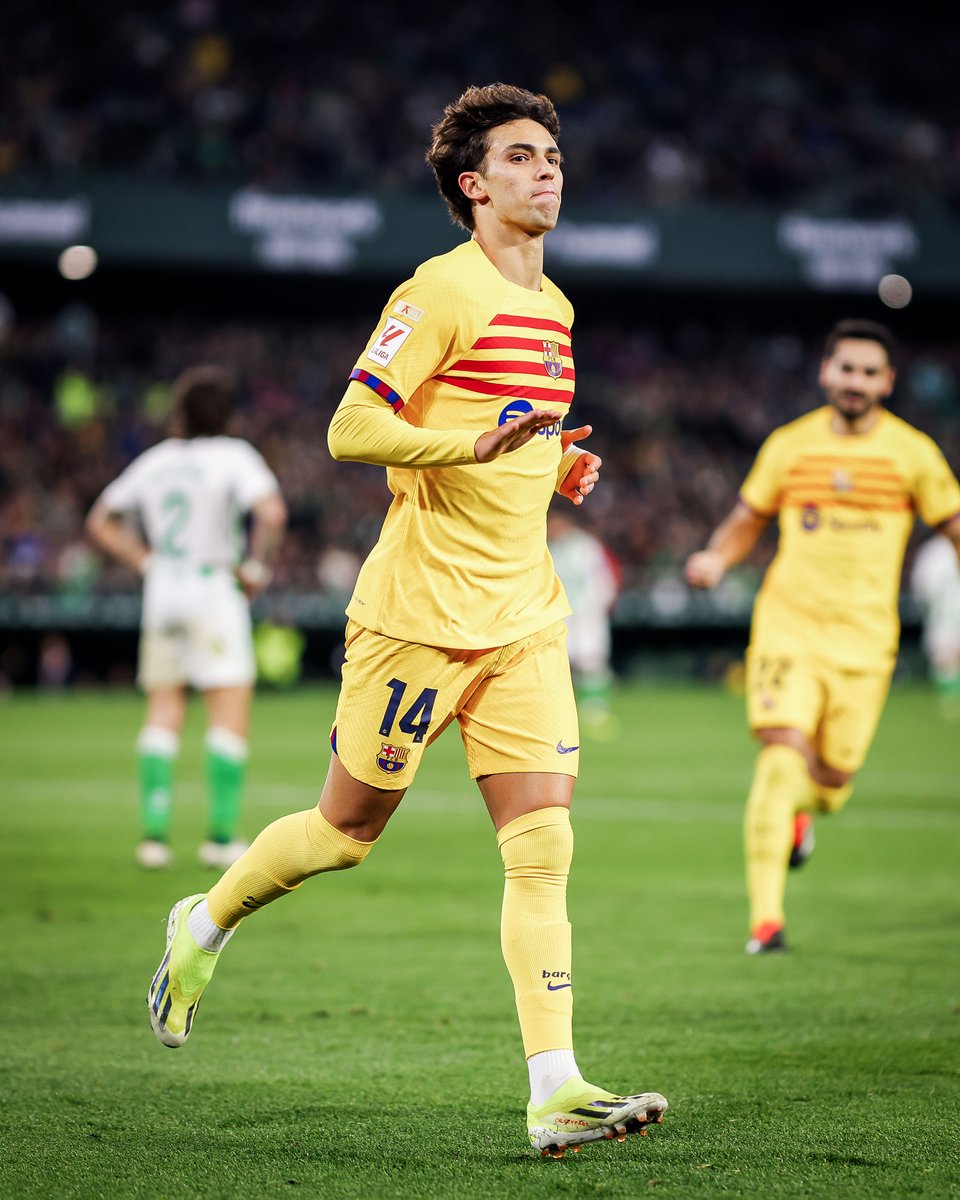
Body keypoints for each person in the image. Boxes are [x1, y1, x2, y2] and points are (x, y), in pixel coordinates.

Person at [146, 83, 667, 1157]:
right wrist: (467, 448)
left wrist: (550, 462)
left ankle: (554, 1085)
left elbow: (508, 428)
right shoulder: (438, 291)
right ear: (474, 186)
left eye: (552, 155)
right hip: (419, 617)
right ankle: (201, 925)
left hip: (522, 618)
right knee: (344, 835)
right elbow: (350, 427)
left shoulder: (557, 308)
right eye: (522, 158)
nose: (547, 170)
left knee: (543, 849)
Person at [684, 319, 960, 955]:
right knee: (780, 760)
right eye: (846, 368)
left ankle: (804, 817)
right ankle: (766, 922)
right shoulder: (790, 445)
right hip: (789, 629)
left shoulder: (913, 454)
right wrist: (717, 559)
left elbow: (953, 527)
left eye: (869, 372)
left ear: (887, 381)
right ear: (826, 372)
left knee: (832, 783)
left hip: (866, 643)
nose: (856, 381)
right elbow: (747, 517)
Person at [86, 365, 287, 870]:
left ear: (179, 413)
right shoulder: (233, 456)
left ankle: (153, 837)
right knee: (227, 710)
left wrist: (143, 561)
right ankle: (220, 836)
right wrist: (257, 566)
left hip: (164, 589)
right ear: (229, 414)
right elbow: (272, 513)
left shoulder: (156, 462)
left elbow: (100, 520)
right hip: (212, 586)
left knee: (163, 708)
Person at [547, 506, 621, 735]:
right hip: (559, 616)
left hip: (587, 615)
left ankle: (595, 711)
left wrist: (597, 607)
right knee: (557, 665)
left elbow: (603, 579)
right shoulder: (549, 548)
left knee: (591, 662)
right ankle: (556, 715)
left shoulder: (587, 547)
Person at [910, 532, 960, 718]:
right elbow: (923, 586)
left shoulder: (932, 551)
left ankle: (951, 703)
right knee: (945, 658)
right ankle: (951, 702)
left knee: (945, 656)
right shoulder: (933, 551)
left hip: (944, 613)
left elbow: (921, 588)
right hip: (944, 612)